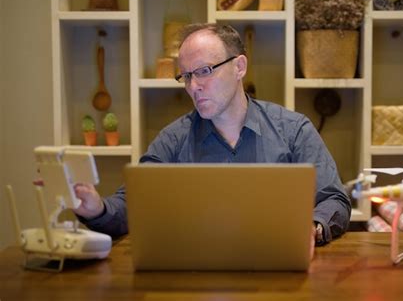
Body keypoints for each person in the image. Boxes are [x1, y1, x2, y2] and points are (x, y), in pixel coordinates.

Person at [73, 23, 351, 247]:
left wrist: (313, 226)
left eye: (204, 71)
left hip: (279, 270)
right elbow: (134, 203)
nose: (194, 86)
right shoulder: (173, 139)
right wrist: (97, 209)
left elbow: (334, 199)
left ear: (239, 67)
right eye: (186, 76)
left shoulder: (293, 130)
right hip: (194, 273)